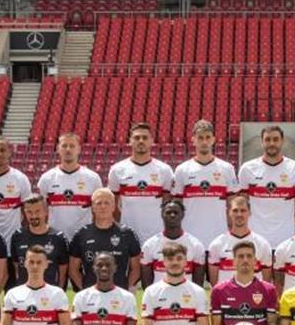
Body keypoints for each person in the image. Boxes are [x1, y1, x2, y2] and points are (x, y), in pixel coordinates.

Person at [238, 124, 295, 248]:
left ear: (282, 141)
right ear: (262, 142)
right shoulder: (247, 169)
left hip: (287, 239)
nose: (271, 143)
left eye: (275, 139)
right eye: (267, 139)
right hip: (255, 240)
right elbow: (242, 204)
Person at [172, 119, 239, 248]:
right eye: (200, 137)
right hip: (190, 237)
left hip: (220, 237)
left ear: (213, 139)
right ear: (193, 139)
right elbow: (177, 205)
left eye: (207, 137)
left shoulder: (227, 168)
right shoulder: (182, 169)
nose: (204, 141)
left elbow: (232, 204)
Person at [210, 241, 279, 325]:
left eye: (249, 256)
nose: (245, 260)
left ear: (255, 261)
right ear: (234, 261)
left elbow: (272, 324)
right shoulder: (219, 290)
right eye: (240, 256)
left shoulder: (269, 289)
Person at [140, 243, 210, 325]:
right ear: (164, 262)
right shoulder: (151, 291)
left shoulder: (198, 291)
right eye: (170, 259)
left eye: (179, 258)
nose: (175, 263)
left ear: (186, 261)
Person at [0, 246, 71, 325]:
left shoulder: (58, 294)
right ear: (25, 263)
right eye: (31, 262)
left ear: (46, 264)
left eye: (39, 262)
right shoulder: (12, 293)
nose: (35, 266)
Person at [107, 122, 174, 244]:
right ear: (130, 141)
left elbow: (167, 203)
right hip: (127, 234)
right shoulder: (118, 169)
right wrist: (121, 225)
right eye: (137, 138)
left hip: (157, 235)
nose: (141, 141)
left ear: (152, 141)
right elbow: (113, 205)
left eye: (145, 137)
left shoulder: (164, 170)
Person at [68, 188, 142, 292]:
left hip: (118, 297)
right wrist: (85, 290)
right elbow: (73, 269)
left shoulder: (127, 233)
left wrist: (126, 290)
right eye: (98, 203)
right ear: (93, 207)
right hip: (91, 298)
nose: (103, 206)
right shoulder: (82, 234)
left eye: (107, 203)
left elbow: (136, 268)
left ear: (113, 206)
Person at [36, 131, 103, 243]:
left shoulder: (92, 178)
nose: (68, 149)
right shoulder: (46, 178)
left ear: (79, 149)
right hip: (54, 239)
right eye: (64, 146)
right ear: (58, 148)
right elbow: (43, 211)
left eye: (72, 146)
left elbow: (98, 211)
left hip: (84, 238)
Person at [71, 253, 137, 325]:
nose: (104, 268)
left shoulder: (127, 297)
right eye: (100, 265)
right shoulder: (81, 296)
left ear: (115, 268)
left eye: (108, 265)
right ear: (94, 268)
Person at [207, 194, 273, 285]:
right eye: (235, 211)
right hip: (226, 297)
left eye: (243, 210)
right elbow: (214, 283)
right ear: (229, 212)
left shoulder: (262, 244)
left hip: (254, 297)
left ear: (249, 213)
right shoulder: (217, 244)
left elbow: (266, 281)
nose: (239, 214)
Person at [140, 198, 206, 288]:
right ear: (162, 215)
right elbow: (146, 285)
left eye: (176, 212)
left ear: (182, 215)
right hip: (159, 298)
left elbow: (198, 285)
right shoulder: (149, 245)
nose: (172, 215)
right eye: (168, 212)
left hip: (186, 298)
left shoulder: (196, 245)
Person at [8, 194, 69, 288]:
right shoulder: (17, 236)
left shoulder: (59, 238)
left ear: (46, 211)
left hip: (49, 296)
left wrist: (59, 293)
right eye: (29, 212)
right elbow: (17, 269)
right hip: (24, 295)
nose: (33, 216)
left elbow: (63, 273)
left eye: (37, 211)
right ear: (24, 212)